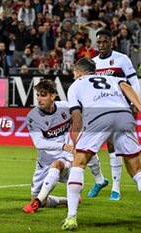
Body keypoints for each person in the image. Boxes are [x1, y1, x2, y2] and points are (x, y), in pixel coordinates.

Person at [62, 57, 141, 231]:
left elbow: (77, 120)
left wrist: (76, 145)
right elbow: (127, 87)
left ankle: (71, 217)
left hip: (98, 117)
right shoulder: (112, 78)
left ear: (78, 72)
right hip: (123, 115)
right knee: (137, 170)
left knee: (78, 164)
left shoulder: (75, 85)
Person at [88, 29, 140, 201]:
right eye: (99, 42)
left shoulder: (122, 59)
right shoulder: (93, 63)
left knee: (123, 148)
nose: (101, 45)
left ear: (111, 42)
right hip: (102, 111)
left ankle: (116, 188)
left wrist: (134, 103)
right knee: (107, 146)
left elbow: (133, 82)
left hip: (122, 108)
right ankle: (107, 183)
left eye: (104, 41)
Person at [23, 80, 74, 214]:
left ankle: (36, 204)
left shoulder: (66, 108)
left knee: (56, 165)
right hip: (44, 161)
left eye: (43, 95)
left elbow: (83, 117)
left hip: (66, 157)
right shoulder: (33, 116)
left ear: (53, 96)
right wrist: (63, 146)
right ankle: (68, 200)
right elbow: (39, 143)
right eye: (38, 95)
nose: (39, 99)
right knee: (43, 200)